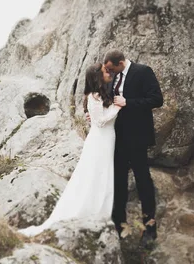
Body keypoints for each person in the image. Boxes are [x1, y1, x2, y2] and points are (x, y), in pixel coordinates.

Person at [18, 62, 122, 237]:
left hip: (107, 138)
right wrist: (117, 107)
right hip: (100, 140)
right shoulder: (94, 95)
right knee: (95, 174)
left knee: (103, 174)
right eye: (105, 71)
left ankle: (101, 211)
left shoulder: (101, 94)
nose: (108, 72)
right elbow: (100, 121)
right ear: (98, 76)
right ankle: (91, 212)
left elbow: (97, 117)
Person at [103, 50, 163, 248]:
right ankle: (119, 225)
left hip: (137, 137)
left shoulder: (143, 72)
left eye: (112, 69)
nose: (109, 73)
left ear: (121, 62)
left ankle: (150, 228)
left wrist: (129, 103)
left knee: (143, 180)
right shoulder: (113, 76)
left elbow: (157, 100)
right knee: (118, 181)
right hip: (117, 139)